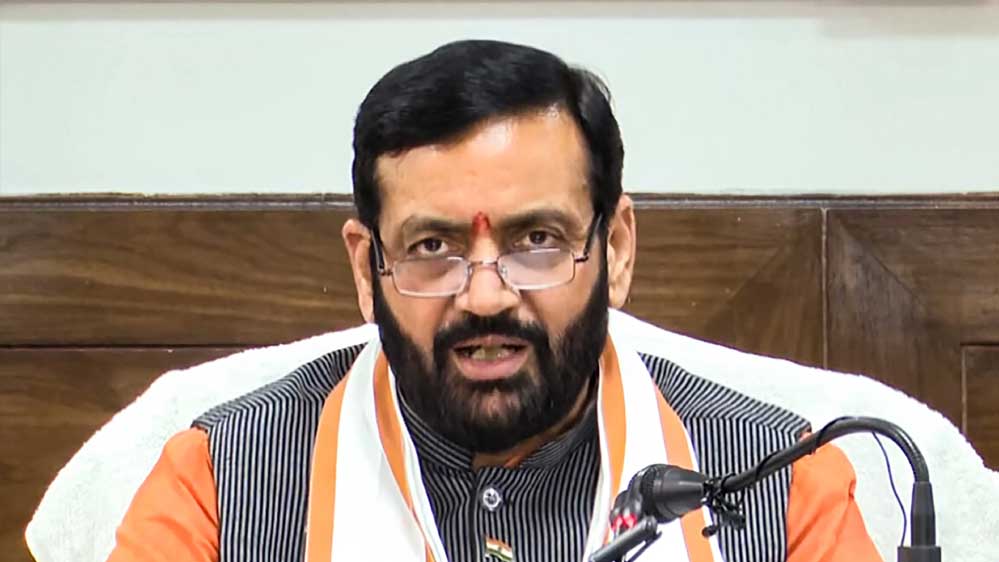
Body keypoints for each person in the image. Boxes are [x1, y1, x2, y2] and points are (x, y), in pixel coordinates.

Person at [106, 40, 882, 562]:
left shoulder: (778, 484)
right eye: (431, 247)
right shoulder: (221, 483)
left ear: (614, 250)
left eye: (536, 240)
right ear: (366, 268)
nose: (483, 297)